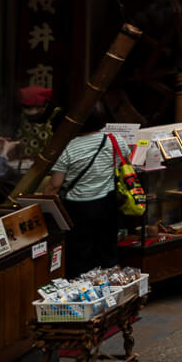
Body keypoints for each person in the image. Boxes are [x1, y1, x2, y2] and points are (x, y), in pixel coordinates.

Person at [47, 104, 122, 274]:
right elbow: (122, 164)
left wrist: (42, 200)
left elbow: (55, 184)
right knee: (107, 247)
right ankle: (111, 288)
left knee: (80, 251)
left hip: (78, 207)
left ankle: (82, 292)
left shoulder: (68, 148)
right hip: (108, 203)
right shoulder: (114, 140)